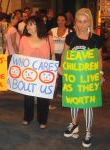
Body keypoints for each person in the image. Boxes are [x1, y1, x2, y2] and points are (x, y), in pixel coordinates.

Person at [60, 8, 104, 147]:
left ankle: (88, 131)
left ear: (89, 22)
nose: (82, 25)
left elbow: (99, 58)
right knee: (74, 101)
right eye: (79, 21)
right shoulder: (70, 37)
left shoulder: (96, 39)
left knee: (87, 105)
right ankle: (74, 124)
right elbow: (64, 54)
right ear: (76, 23)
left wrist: (100, 74)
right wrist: (61, 66)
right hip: (73, 75)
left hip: (89, 78)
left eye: (85, 22)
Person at [19, 16, 55, 129]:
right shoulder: (23, 39)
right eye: (27, 24)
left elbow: (52, 55)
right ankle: (27, 117)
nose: (27, 26)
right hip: (28, 73)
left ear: (38, 25)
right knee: (28, 98)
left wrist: (54, 72)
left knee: (43, 98)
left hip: (44, 73)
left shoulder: (48, 39)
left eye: (31, 24)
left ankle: (42, 120)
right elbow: (20, 56)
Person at [49, 14, 71, 98]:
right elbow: (47, 41)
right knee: (53, 74)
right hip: (54, 55)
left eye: (62, 20)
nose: (60, 22)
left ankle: (60, 91)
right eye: (58, 20)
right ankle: (51, 92)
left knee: (63, 74)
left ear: (65, 21)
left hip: (64, 56)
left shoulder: (70, 31)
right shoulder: (52, 30)